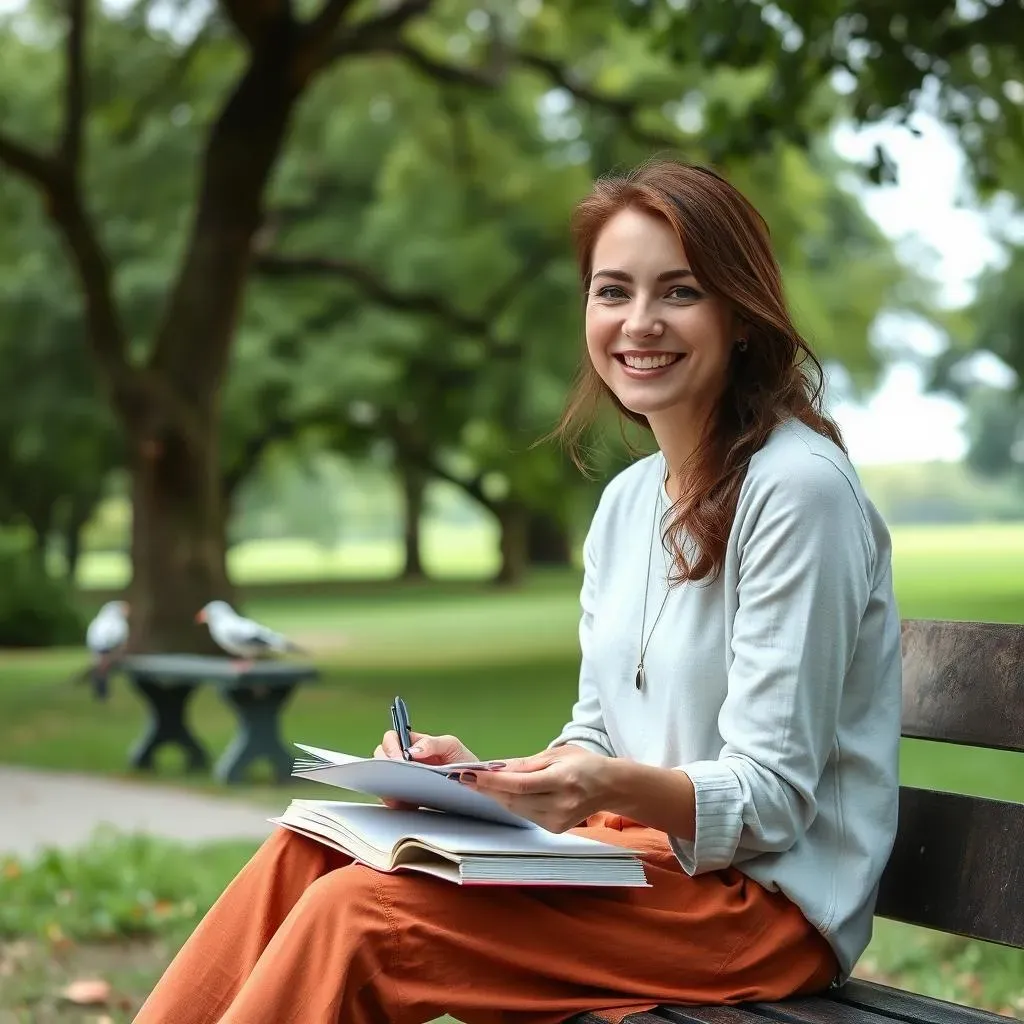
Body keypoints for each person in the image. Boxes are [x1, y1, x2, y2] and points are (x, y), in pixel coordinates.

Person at [133, 158, 903, 1024]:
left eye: (679, 292)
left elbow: (771, 799)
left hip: (757, 910)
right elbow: (596, 732)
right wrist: (481, 778)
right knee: (306, 852)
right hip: (627, 862)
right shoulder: (625, 505)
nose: (639, 322)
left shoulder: (798, 491)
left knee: (363, 918)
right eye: (613, 291)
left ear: (741, 317)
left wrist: (598, 786)